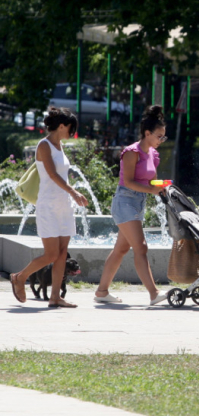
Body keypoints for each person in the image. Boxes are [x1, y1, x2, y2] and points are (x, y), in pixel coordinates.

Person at [10, 107, 88, 307]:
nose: (72, 132)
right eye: (70, 128)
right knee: (52, 254)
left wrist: (70, 196)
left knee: (62, 253)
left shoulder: (60, 146)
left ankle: (55, 297)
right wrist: (74, 192)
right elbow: (53, 175)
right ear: (61, 126)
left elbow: (60, 175)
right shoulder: (44, 145)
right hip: (48, 206)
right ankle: (20, 277)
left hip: (63, 206)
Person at [94, 105, 168, 306]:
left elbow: (149, 180)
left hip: (138, 202)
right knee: (141, 247)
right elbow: (128, 181)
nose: (161, 140)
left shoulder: (152, 154)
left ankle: (102, 291)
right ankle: (154, 294)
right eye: (159, 136)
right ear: (147, 133)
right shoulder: (131, 152)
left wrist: (160, 186)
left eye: (163, 137)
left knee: (120, 250)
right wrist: (151, 189)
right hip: (125, 201)